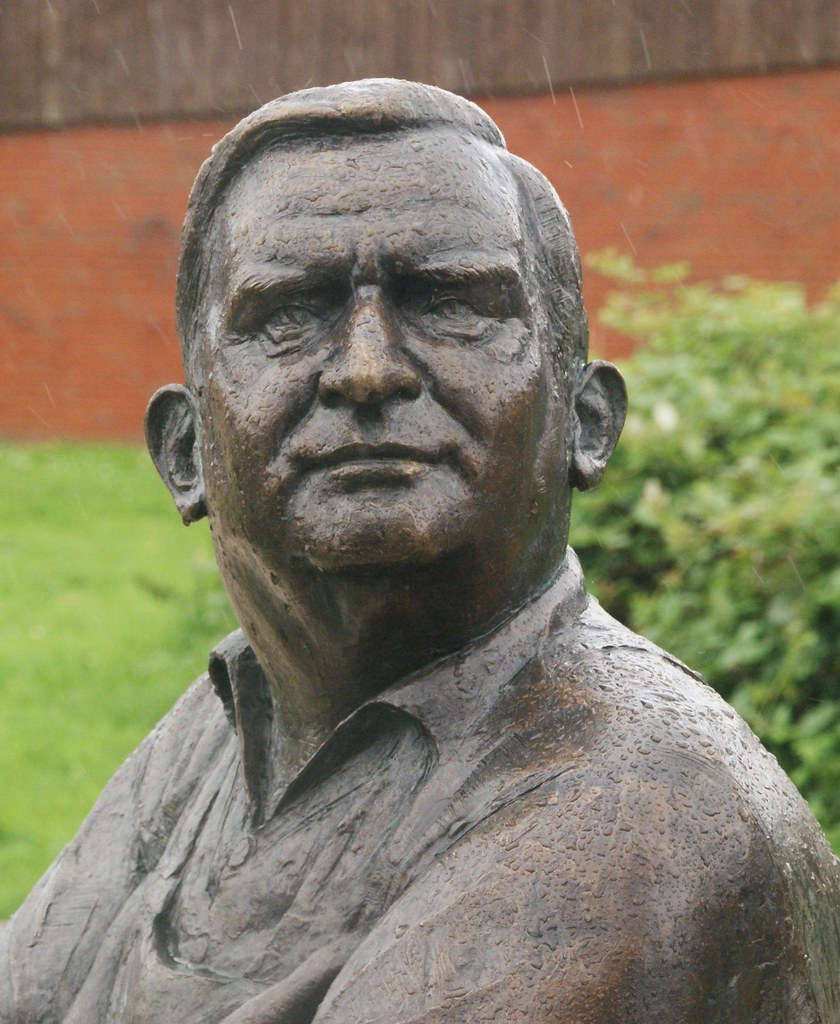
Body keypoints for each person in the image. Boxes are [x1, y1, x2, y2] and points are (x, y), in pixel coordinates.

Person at [1, 79, 838, 1024]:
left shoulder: (641, 814)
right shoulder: (243, 715)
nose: (367, 368)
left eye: (452, 303)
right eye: (287, 315)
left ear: (586, 423)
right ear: (188, 453)